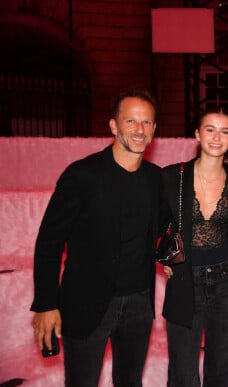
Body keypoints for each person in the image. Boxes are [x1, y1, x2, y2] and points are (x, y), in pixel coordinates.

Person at [30, 89, 162, 386]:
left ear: (154, 129)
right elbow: (49, 242)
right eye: (131, 121)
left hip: (139, 303)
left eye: (146, 123)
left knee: (130, 381)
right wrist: (46, 303)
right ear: (114, 126)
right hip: (86, 303)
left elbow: (167, 230)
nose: (139, 130)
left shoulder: (156, 179)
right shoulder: (81, 176)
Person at [161, 110, 228, 387]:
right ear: (197, 134)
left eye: (224, 131)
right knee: (183, 373)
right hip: (184, 278)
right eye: (210, 129)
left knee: (221, 370)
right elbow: (152, 223)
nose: (216, 137)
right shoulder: (172, 176)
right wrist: (163, 257)